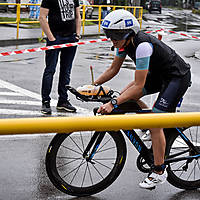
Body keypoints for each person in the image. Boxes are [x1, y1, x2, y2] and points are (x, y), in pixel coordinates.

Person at [94, 9, 191, 189]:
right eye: (109, 35)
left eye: (116, 35)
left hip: (176, 77)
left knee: (155, 120)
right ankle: (149, 128)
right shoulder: (124, 44)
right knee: (123, 97)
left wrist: (113, 103)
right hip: (158, 76)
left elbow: (138, 86)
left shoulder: (142, 46)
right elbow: (113, 69)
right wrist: (93, 86)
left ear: (129, 33)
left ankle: (159, 171)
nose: (112, 40)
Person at [39, 0, 81, 114]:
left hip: (71, 38)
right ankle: (46, 102)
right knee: (50, 70)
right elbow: (42, 18)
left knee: (66, 71)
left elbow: (77, 16)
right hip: (55, 37)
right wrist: (51, 38)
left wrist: (77, 34)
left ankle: (63, 101)